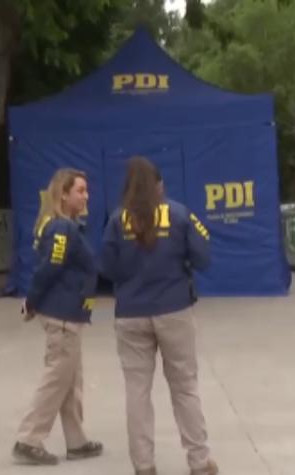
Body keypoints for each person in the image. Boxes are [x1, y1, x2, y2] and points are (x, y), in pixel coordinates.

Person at [101, 156, 218, 475]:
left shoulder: (117, 220)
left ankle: (144, 465)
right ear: (160, 186)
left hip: (130, 313)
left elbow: (106, 267)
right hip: (174, 309)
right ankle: (199, 461)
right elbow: (203, 257)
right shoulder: (179, 214)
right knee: (185, 387)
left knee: (137, 391)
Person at [12, 168, 103, 466]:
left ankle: (76, 441)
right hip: (62, 315)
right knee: (56, 379)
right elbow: (50, 267)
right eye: (80, 191)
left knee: (71, 379)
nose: (86, 196)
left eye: (87, 190)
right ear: (63, 195)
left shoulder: (66, 226)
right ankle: (28, 440)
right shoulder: (62, 228)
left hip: (70, 313)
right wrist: (31, 301)